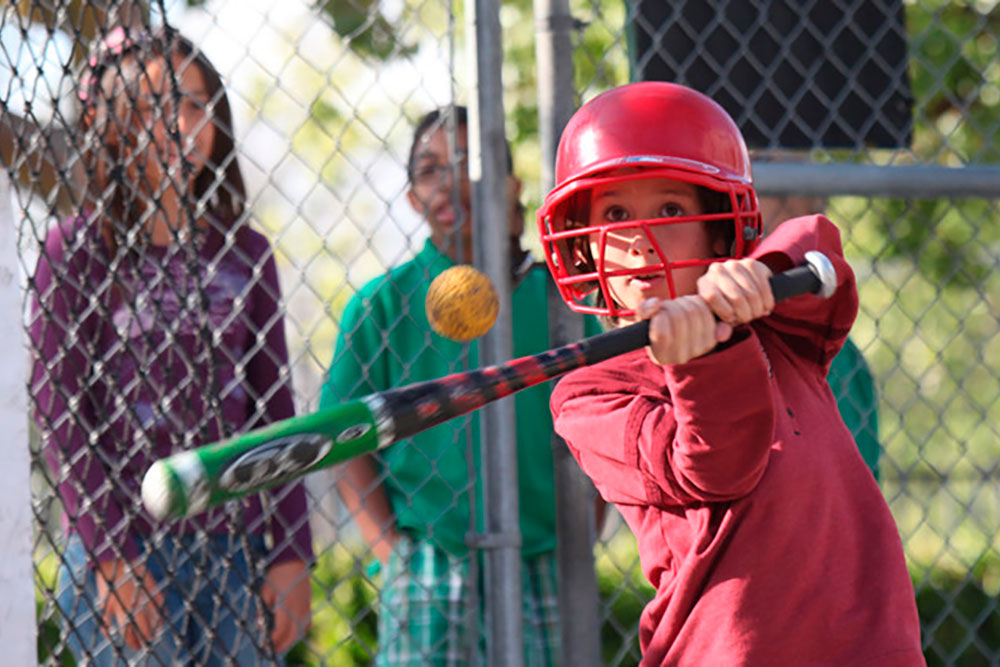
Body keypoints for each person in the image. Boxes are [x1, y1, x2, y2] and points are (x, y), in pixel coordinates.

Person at [537, 82, 923, 664]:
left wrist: (756, 280)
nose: (641, 239)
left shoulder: (780, 332)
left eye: (670, 210)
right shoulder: (588, 395)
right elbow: (716, 468)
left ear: (719, 232)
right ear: (586, 246)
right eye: (615, 214)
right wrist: (704, 356)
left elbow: (820, 252)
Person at [15, 25, 313, 664]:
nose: (180, 123)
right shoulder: (75, 251)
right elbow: (61, 409)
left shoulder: (246, 253)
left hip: (235, 547)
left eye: (195, 103)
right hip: (120, 546)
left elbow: (275, 408)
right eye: (154, 106)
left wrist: (291, 551)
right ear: (112, 123)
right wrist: (110, 554)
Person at [321, 105, 579, 665]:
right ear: (414, 199)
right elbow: (344, 440)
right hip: (430, 559)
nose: (449, 181)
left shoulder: (558, 301)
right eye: (430, 169)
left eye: (468, 163)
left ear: (510, 187)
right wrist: (389, 555)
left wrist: (583, 526)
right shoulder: (381, 304)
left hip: (543, 557)